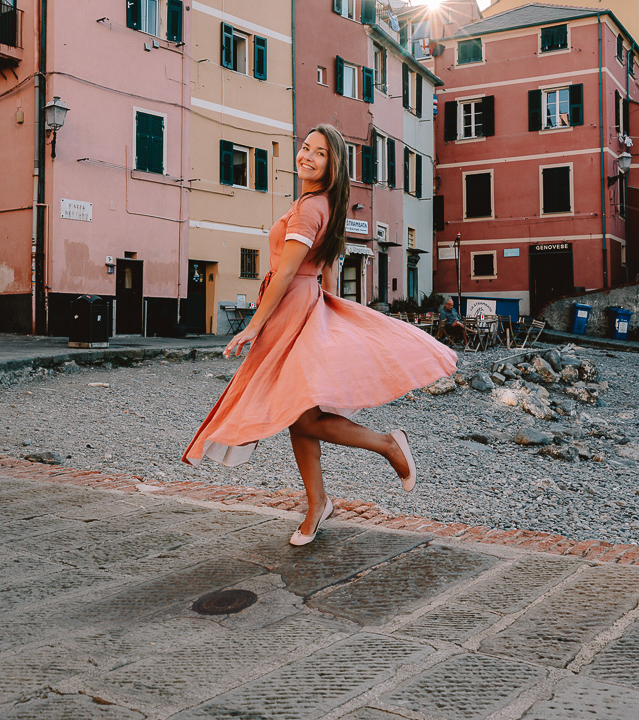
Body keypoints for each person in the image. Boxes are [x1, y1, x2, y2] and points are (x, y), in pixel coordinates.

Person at [182, 124, 457, 545]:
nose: (307, 156)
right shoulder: (318, 204)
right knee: (299, 413)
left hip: (293, 311)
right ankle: (318, 503)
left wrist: (255, 325)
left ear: (334, 165)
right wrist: (328, 320)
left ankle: (387, 445)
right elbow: (325, 271)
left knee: (303, 414)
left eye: (320, 153)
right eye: (306, 148)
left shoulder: (311, 209)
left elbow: (289, 270)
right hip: (302, 309)